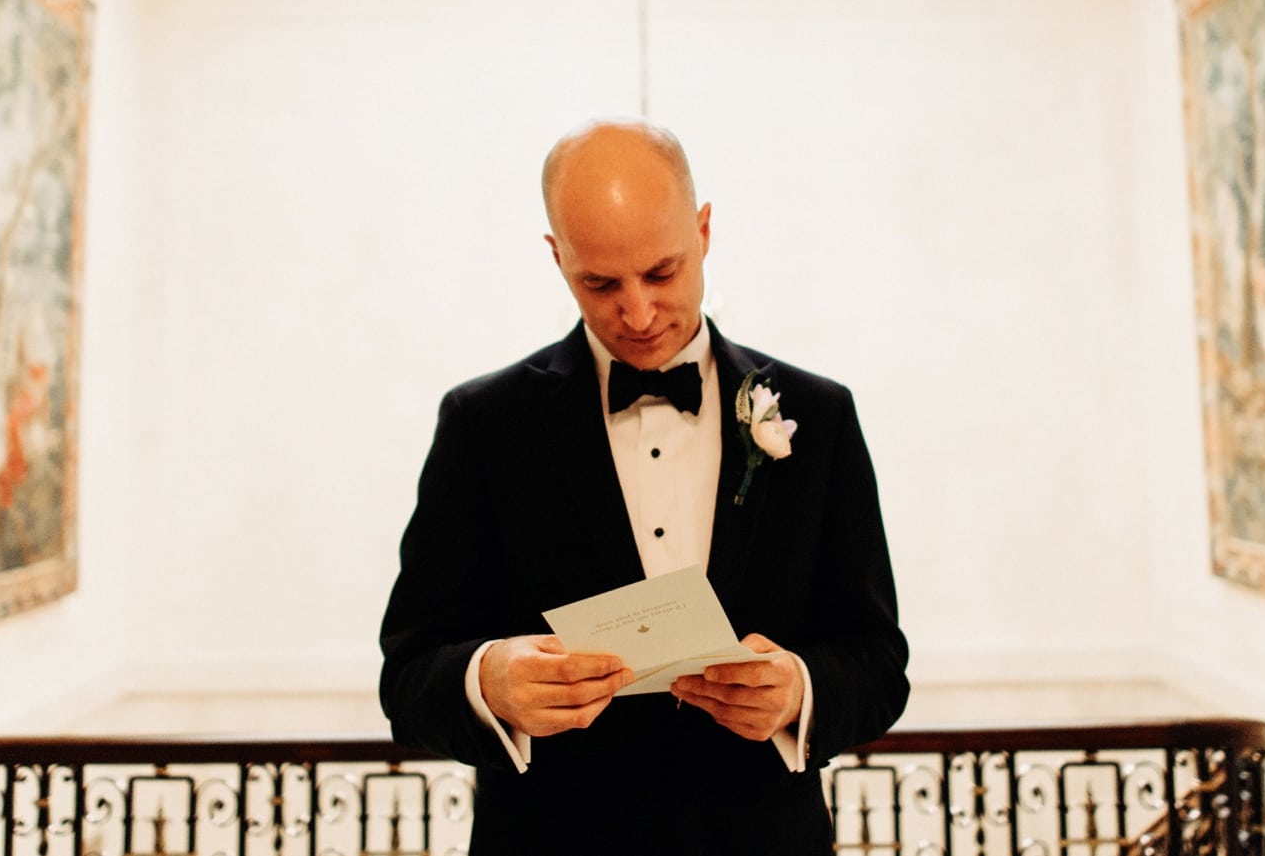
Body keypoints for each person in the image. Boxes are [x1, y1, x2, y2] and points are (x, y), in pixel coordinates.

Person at [379, 120, 909, 856]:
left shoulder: (818, 415)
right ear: (557, 256)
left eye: (662, 272)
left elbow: (880, 661)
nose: (637, 312)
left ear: (704, 231)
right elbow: (407, 672)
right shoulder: (483, 423)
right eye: (599, 282)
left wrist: (798, 689)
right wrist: (490, 681)